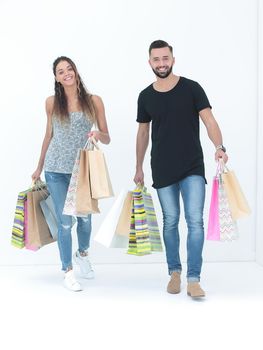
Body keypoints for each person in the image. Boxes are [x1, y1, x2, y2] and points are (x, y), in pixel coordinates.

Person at [134, 40, 228, 298]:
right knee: (171, 221)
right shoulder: (146, 96)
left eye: (165, 58)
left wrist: (219, 146)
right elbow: (143, 133)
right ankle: (174, 273)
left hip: (192, 166)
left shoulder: (191, 88)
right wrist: (138, 167)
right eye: (156, 59)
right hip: (162, 167)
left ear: (173, 59)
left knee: (195, 221)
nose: (161, 63)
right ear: (150, 62)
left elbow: (208, 119)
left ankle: (194, 278)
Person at [32, 56, 110, 291]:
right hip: (55, 169)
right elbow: (49, 135)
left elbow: (107, 135)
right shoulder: (51, 103)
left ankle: (82, 253)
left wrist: (97, 135)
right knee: (65, 223)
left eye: (69, 69)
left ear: (75, 71)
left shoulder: (93, 101)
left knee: (85, 219)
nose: (66, 73)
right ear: (56, 78)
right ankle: (67, 270)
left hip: (82, 169)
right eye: (60, 71)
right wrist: (39, 167)